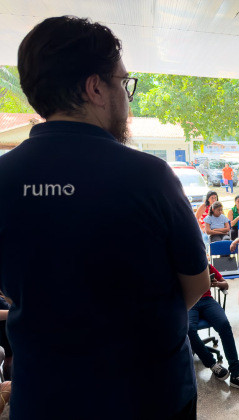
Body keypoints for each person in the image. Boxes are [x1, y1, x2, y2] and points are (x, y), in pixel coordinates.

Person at [1, 16, 210, 419]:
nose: (127, 97)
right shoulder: (150, 176)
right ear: (96, 87)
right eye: (124, 83)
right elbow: (197, 282)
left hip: (44, 398)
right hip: (148, 395)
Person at [188, 265, 239, 392]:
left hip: (207, 301)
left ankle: (236, 374)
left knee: (224, 325)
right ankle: (212, 364)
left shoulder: (205, 265)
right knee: (188, 330)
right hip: (189, 302)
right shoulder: (177, 267)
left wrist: (216, 284)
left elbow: (226, 285)